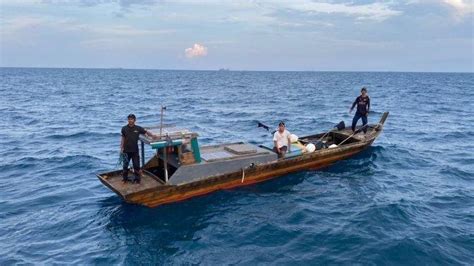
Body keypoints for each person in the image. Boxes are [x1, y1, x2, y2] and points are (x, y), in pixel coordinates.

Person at [120, 114, 155, 183]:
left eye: (132, 119)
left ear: (134, 120)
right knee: (125, 166)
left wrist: (153, 136)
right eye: (129, 119)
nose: (130, 120)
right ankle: (125, 179)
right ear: (128, 120)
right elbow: (122, 138)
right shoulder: (124, 128)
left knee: (136, 165)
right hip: (126, 151)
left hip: (135, 151)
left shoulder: (138, 128)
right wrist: (121, 148)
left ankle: (137, 179)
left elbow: (146, 132)